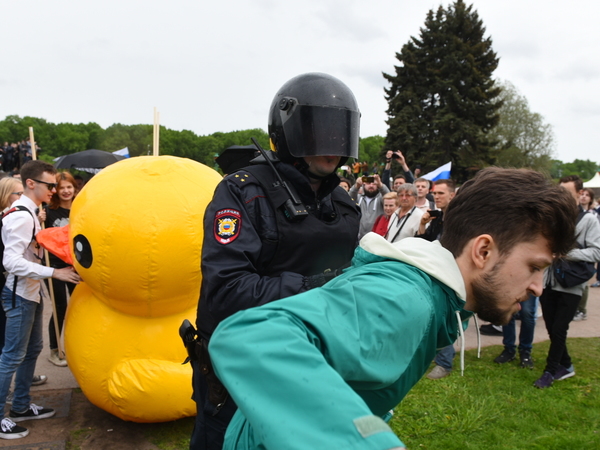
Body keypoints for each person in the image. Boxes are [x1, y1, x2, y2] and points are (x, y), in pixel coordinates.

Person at [208, 167, 576, 450]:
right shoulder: (406, 298)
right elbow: (254, 336)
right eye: (535, 267)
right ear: (483, 251)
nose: (537, 288)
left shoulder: (438, 300)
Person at [190, 73, 361, 450]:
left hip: (312, 361)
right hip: (241, 366)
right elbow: (228, 290)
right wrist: (319, 288)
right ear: (289, 132)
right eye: (319, 132)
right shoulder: (243, 191)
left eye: (339, 132)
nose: (331, 146)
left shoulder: (344, 204)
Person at [0, 160, 81, 440]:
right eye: (50, 185)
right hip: (19, 294)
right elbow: (10, 261)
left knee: (32, 350)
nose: (55, 189)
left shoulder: (32, 213)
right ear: (31, 184)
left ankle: (21, 406)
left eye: (56, 184)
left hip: (31, 292)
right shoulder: (21, 216)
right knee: (11, 356)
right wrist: (54, 272)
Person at [534, 175, 600, 389]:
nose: (561, 196)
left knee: (560, 328)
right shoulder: (553, 219)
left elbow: (596, 252)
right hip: (549, 281)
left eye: (566, 193)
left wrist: (565, 253)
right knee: (553, 328)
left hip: (571, 283)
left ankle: (550, 371)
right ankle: (567, 365)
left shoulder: (589, 220)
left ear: (580, 194)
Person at [415, 179, 457, 379]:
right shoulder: (437, 217)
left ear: (452, 195)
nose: (436, 197)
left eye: (441, 193)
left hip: (452, 273)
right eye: (435, 193)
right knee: (433, 314)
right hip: (435, 270)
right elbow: (426, 243)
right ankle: (434, 354)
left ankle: (444, 362)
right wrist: (423, 225)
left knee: (444, 315)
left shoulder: (460, 219)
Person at [45, 172, 78, 367]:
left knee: (78, 307)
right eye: (61, 187)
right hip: (54, 267)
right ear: (55, 190)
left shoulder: (82, 209)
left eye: (69, 187)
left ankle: (76, 347)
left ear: (74, 188)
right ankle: (55, 350)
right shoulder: (48, 212)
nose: (65, 191)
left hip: (77, 268)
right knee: (59, 308)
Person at [493, 294, 537, 369]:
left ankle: (525, 351)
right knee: (508, 311)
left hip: (529, 284)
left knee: (527, 312)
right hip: (509, 284)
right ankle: (509, 349)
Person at [350, 174, 390, 240]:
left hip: (376, 239)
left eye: (374, 183)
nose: (371, 185)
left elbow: (389, 197)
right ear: (364, 185)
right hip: (358, 238)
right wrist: (356, 186)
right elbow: (349, 198)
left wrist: (380, 184)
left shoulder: (381, 199)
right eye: (368, 183)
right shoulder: (359, 198)